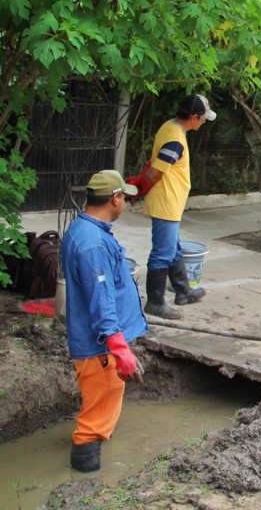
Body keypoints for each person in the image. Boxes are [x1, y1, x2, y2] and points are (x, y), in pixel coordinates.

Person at [60, 170, 147, 472]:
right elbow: (101, 299)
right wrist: (119, 348)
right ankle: (86, 477)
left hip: (96, 340)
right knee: (94, 420)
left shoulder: (85, 230)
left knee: (102, 400)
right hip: (98, 345)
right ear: (115, 198)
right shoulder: (92, 244)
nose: (125, 203)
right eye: (125, 197)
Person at [139, 94, 216, 319]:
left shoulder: (170, 127)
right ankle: (155, 302)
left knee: (173, 249)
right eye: (203, 119)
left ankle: (183, 291)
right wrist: (140, 189)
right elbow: (155, 172)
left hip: (170, 202)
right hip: (166, 202)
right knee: (162, 253)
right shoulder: (175, 138)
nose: (203, 123)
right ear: (193, 117)